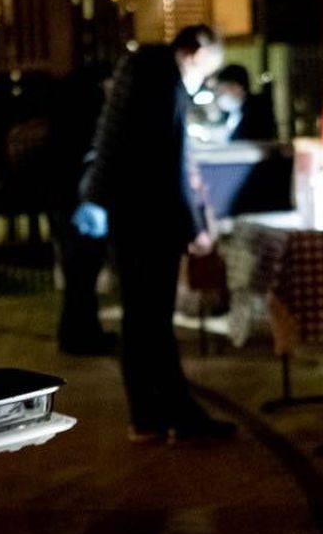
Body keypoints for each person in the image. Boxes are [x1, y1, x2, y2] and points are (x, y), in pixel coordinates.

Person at [76, 25, 237, 443]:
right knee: (153, 320)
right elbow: (171, 160)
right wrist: (194, 227)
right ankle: (179, 417)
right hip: (150, 218)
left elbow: (116, 142)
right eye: (208, 69)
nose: (206, 79)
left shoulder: (140, 69)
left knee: (140, 319)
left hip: (130, 214)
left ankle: (147, 416)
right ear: (196, 50)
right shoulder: (162, 79)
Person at [48, 63, 119, 355]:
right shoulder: (89, 121)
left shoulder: (66, 121)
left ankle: (79, 333)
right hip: (79, 206)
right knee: (82, 274)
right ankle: (81, 336)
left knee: (78, 275)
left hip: (65, 203)